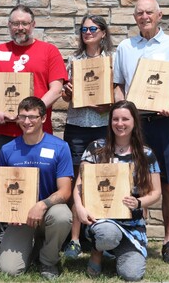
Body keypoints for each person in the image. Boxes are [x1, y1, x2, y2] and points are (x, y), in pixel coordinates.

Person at [0, 4, 67, 247]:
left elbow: (56, 88)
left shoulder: (49, 51)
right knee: (6, 187)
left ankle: (42, 237)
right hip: (4, 134)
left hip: (38, 135)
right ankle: (6, 238)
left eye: (24, 23)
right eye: (15, 23)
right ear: (9, 26)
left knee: (42, 184)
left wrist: (33, 114)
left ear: (33, 25)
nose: (20, 27)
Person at [113, 0, 169, 264]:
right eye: (139, 13)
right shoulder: (125, 46)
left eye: (149, 12)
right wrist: (121, 108)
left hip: (166, 124)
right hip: (135, 126)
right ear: (134, 17)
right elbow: (117, 85)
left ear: (159, 15)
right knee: (134, 180)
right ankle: (138, 236)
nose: (144, 16)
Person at [73, 100, 162, 281]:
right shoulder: (95, 148)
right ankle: (98, 250)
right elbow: (79, 185)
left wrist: (139, 202)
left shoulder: (146, 154)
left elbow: (156, 192)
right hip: (102, 219)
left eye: (125, 119)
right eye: (115, 119)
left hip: (132, 223)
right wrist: (80, 209)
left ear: (134, 122)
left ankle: (117, 249)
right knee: (107, 234)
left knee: (132, 275)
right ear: (110, 121)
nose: (120, 124)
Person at [0, 97, 73, 279]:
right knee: (9, 269)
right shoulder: (7, 149)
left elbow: (65, 191)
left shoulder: (60, 147)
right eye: (22, 117)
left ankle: (48, 261)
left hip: (49, 212)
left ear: (43, 119)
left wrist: (42, 205)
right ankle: (33, 247)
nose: (27, 122)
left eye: (32, 117)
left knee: (63, 216)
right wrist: (10, 213)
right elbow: (3, 189)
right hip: (21, 217)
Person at [61, 15, 114, 259]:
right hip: (77, 125)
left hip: (102, 126)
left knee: (102, 178)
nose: (88, 32)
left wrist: (110, 106)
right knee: (75, 178)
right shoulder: (73, 60)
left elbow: (118, 92)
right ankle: (75, 237)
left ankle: (98, 232)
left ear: (103, 32)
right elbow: (66, 97)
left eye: (93, 28)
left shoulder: (112, 60)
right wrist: (68, 92)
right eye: (84, 29)